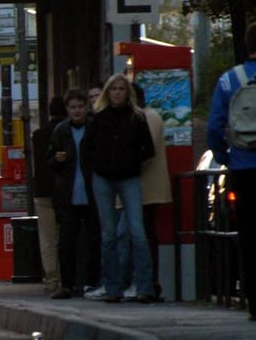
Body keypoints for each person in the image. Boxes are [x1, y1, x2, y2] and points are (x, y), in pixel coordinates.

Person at [206, 20, 256, 321]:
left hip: (243, 167)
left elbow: (213, 127)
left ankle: (255, 303)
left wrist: (227, 156)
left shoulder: (227, 80)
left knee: (247, 235)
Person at [81, 73, 155, 304]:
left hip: (129, 177)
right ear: (107, 93)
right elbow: (87, 148)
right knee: (109, 235)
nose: (117, 93)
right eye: (114, 89)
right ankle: (112, 287)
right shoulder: (99, 119)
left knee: (137, 232)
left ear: (128, 93)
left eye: (122, 89)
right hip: (103, 177)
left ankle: (144, 286)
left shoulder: (137, 118)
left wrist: (131, 162)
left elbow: (148, 149)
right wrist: (98, 165)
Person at [122, 82, 171, 299]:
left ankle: (146, 283)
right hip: (143, 186)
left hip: (144, 186)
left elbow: (144, 152)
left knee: (141, 235)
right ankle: (145, 283)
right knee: (142, 234)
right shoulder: (148, 116)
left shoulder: (146, 117)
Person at [49, 89, 99, 299]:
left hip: (92, 193)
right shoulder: (61, 130)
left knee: (94, 240)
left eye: (80, 106)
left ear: (86, 108)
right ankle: (67, 284)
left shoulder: (94, 127)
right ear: (67, 110)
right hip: (68, 195)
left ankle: (92, 282)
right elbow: (49, 161)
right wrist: (57, 160)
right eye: (72, 107)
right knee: (67, 242)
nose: (77, 111)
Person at [32, 96, 67, 297]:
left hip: (42, 190)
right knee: (64, 235)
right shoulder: (66, 132)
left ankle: (51, 279)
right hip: (62, 190)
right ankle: (65, 277)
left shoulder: (38, 135)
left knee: (47, 238)